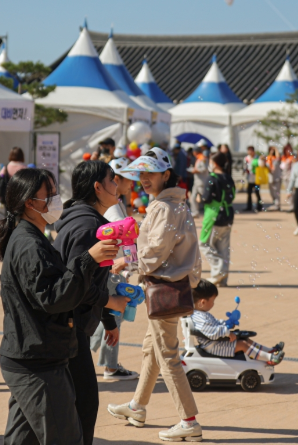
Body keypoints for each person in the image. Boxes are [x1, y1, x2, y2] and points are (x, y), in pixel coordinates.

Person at [0, 168, 119, 445]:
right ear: (30, 203)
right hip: (37, 361)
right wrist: (88, 260)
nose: (55, 200)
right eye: (48, 195)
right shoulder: (29, 244)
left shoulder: (34, 238)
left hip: (35, 354)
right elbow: (54, 298)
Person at [108, 148, 203, 442]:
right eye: (141, 173)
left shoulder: (165, 207)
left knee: (167, 355)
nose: (144, 178)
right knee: (152, 348)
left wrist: (127, 260)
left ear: (166, 174)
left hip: (165, 287)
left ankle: (189, 420)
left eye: (150, 173)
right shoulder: (172, 203)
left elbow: (155, 252)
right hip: (168, 286)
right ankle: (138, 406)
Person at [52, 161, 129, 445]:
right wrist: (112, 301)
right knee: (84, 405)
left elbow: (92, 277)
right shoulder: (89, 227)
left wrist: (107, 319)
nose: (117, 185)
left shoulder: (78, 218)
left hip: (73, 323)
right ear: (97, 187)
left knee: (73, 403)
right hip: (71, 328)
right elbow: (76, 285)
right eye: (112, 180)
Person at [91, 156, 141, 381]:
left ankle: (92, 352)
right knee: (115, 314)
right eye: (127, 179)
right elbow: (122, 240)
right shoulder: (112, 209)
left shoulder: (116, 202)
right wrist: (129, 262)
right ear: (116, 180)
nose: (132, 184)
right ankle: (110, 367)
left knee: (107, 316)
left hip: (115, 267)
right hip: (115, 269)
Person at [190, 280, 284, 364]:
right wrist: (227, 332)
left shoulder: (201, 314)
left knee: (246, 340)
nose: (214, 303)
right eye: (213, 301)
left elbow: (214, 324)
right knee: (243, 344)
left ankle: (270, 350)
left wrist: (226, 323)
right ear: (202, 302)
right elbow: (211, 332)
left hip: (215, 343)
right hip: (213, 347)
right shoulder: (199, 317)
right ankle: (270, 358)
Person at [200, 152, 236, 286]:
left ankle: (218, 270)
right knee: (223, 248)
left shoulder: (212, 178)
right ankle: (222, 279)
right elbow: (232, 196)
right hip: (227, 215)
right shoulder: (228, 177)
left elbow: (207, 197)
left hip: (213, 216)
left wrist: (200, 198)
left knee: (204, 244)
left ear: (214, 163)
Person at [189, 147, 209, 218]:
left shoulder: (203, 158)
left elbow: (204, 169)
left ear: (196, 152)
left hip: (201, 182)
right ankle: (195, 212)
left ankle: (209, 210)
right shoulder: (198, 158)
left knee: (205, 197)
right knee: (193, 197)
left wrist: (195, 170)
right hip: (196, 181)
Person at [243, 146, 263, 213]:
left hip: (256, 178)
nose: (250, 152)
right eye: (249, 150)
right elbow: (245, 166)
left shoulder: (258, 158)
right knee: (249, 193)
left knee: (257, 193)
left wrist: (262, 160)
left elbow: (261, 165)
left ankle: (259, 207)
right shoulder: (246, 158)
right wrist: (244, 171)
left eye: (251, 150)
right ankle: (249, 206)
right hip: (249, 178)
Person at [266, 146, 283, 211]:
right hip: (270, 178)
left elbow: (278, 156)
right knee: (271, 192)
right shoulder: (268, 158)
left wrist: (276, 149)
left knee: (277, 192)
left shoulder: (277, 158)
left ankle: (277, 205)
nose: (272, 151)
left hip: (277, 177)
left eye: (273, 150)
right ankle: (274, 203)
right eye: (271, 150)